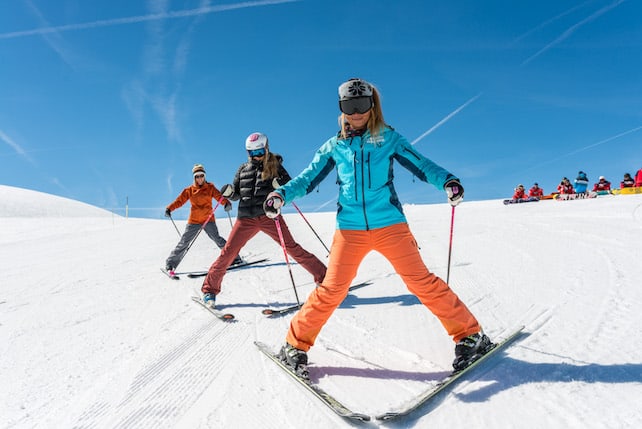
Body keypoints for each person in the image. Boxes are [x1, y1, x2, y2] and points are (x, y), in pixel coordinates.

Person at [263, 78, 492, 374]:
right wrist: (280, 194)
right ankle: (294, 345)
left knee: (420, 282)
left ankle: (470, 336)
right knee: (331, 289)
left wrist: (447, 180)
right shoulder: (335, 147)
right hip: (349, 230)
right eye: (350, 106)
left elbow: (422, 165)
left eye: (362, 105)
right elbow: (307, 179)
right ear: (341, 108)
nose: (356, 113)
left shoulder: (388, 138)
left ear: (373, 106)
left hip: (390, 225)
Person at [200, 132, 327, 308]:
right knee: (228, 253)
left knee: (291, 248)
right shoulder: (242, 169)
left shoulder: (275, 166)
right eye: (252, 153)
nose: (256, 157)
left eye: (259, 152)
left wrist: (278, 185)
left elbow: (289, 187)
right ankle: (209, 291)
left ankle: (325, 278)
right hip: (245, 218)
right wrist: (230, 193)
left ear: (266, 149)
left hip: (269, 216)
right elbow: (237, 193)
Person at [164, 164, 242, 273]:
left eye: (201, 176)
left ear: (204, 176)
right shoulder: (189, 190)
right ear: (194, 178)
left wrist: (226, 203)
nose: (200, 178)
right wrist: (169, 208)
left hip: (208, 219)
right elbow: (179, 201)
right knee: (184, 242)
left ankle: (235, 258)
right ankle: (170, 264)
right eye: (197, 176)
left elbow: (219, 197)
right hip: (194, 221)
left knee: (217, 239)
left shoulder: (210, 187)